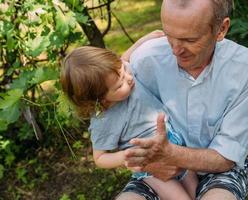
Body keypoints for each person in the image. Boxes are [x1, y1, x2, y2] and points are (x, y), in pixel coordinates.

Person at [117, 0, 248, 200]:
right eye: (169, 36)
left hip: (220, 171)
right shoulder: (145, 59)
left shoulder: (247, 67)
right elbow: (109, 104)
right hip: (158, 169)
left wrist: (170, 154)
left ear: (221, 29)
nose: (175, 50)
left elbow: (227, 157)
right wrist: (150, 161)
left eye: (189, 39)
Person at [60, 45, 199, 200]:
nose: (129, 77)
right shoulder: (104, 121)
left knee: (195, 191)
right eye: (120, 84)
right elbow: (99, 158)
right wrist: (125, 156)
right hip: (150, 163)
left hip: (175, 145)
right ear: (100, 99)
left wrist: (148, 38)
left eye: (123, 71)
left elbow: (124, 58)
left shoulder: (119, 73)